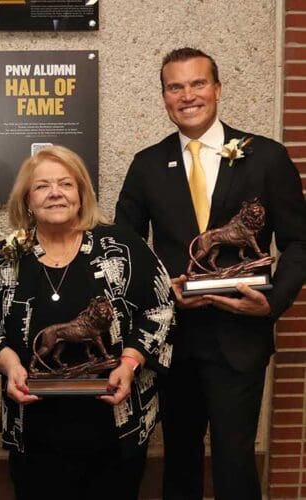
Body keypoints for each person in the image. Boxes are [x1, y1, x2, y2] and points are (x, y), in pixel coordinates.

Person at [115, 47, 306, 500]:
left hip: (239, 335)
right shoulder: (146, 165)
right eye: (175, 87)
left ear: (217, 89)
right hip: (173, 339)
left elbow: (299, 242)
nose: (188, 95)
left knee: (234, 458)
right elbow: (123, 249)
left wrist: (273, 301)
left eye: (197, 83)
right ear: (164, 97)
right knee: (178, 457)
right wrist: (163, 290)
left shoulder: (266, 157)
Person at [0, 145, 174, 500]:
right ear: (27, 200)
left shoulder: (121, 247)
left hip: (116, 422)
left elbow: (161, 308)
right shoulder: (5, 259)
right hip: (34, 428)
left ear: (81, 194)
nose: (55, 193)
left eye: (65, 184)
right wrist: (12, 364)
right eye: (42, 186)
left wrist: (128, 363)